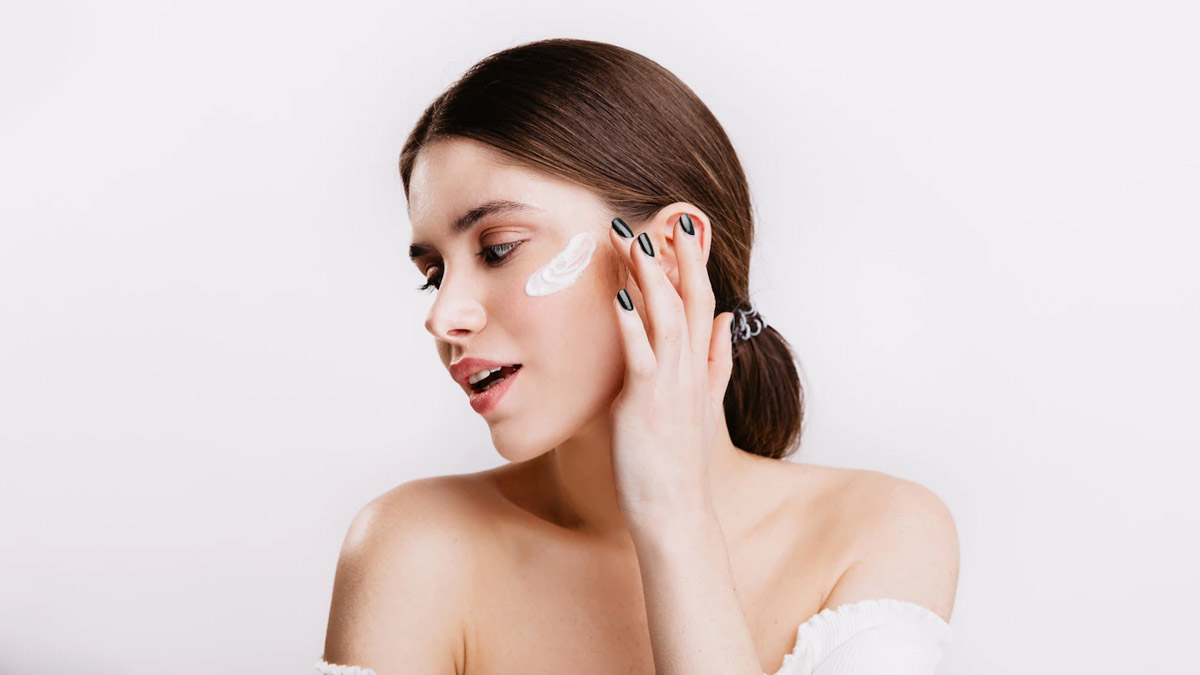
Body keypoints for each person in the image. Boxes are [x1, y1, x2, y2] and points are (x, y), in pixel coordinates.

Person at [316, 38, 959, 675]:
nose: (443, 316)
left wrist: (672, 516)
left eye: (499, 248)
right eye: (434, 274)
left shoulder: (878, 533)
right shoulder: (413, 548)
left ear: (671, 253)